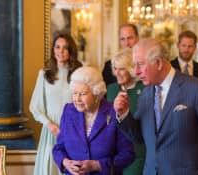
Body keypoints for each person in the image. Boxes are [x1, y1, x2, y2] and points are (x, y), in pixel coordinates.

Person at [114, 38, 198, 175]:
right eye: (135, 65)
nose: (136, 71)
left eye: (140, 64)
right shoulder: (146, 94)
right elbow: (140, 137)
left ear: (158, 63)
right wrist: (124, 114)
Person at [52, 66, 135, 175]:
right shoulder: (68, 111)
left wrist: (97, 165)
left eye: (83, 94)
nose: (77, 99)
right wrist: (65, 162)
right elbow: (59, 148)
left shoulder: (113, 111)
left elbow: (128, 154)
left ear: (97, 93)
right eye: (75, 93)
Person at [30, 33, 83, 175]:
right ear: (53, 50)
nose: (60, 51)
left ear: (71, 51)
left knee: (72, 167)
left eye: (65, 48)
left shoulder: (79, 74)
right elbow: (35, 106)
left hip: (73, 130)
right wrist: (49, 124)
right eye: (57, 47)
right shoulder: (44, 74)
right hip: (50, 130)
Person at [106, 48, 145, 175]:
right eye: (115, 68)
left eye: (122, 69)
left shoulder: (144, 90)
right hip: (114, 154)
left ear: (132, 69)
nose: (116, 73)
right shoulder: (111, 89)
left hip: (137, 153)